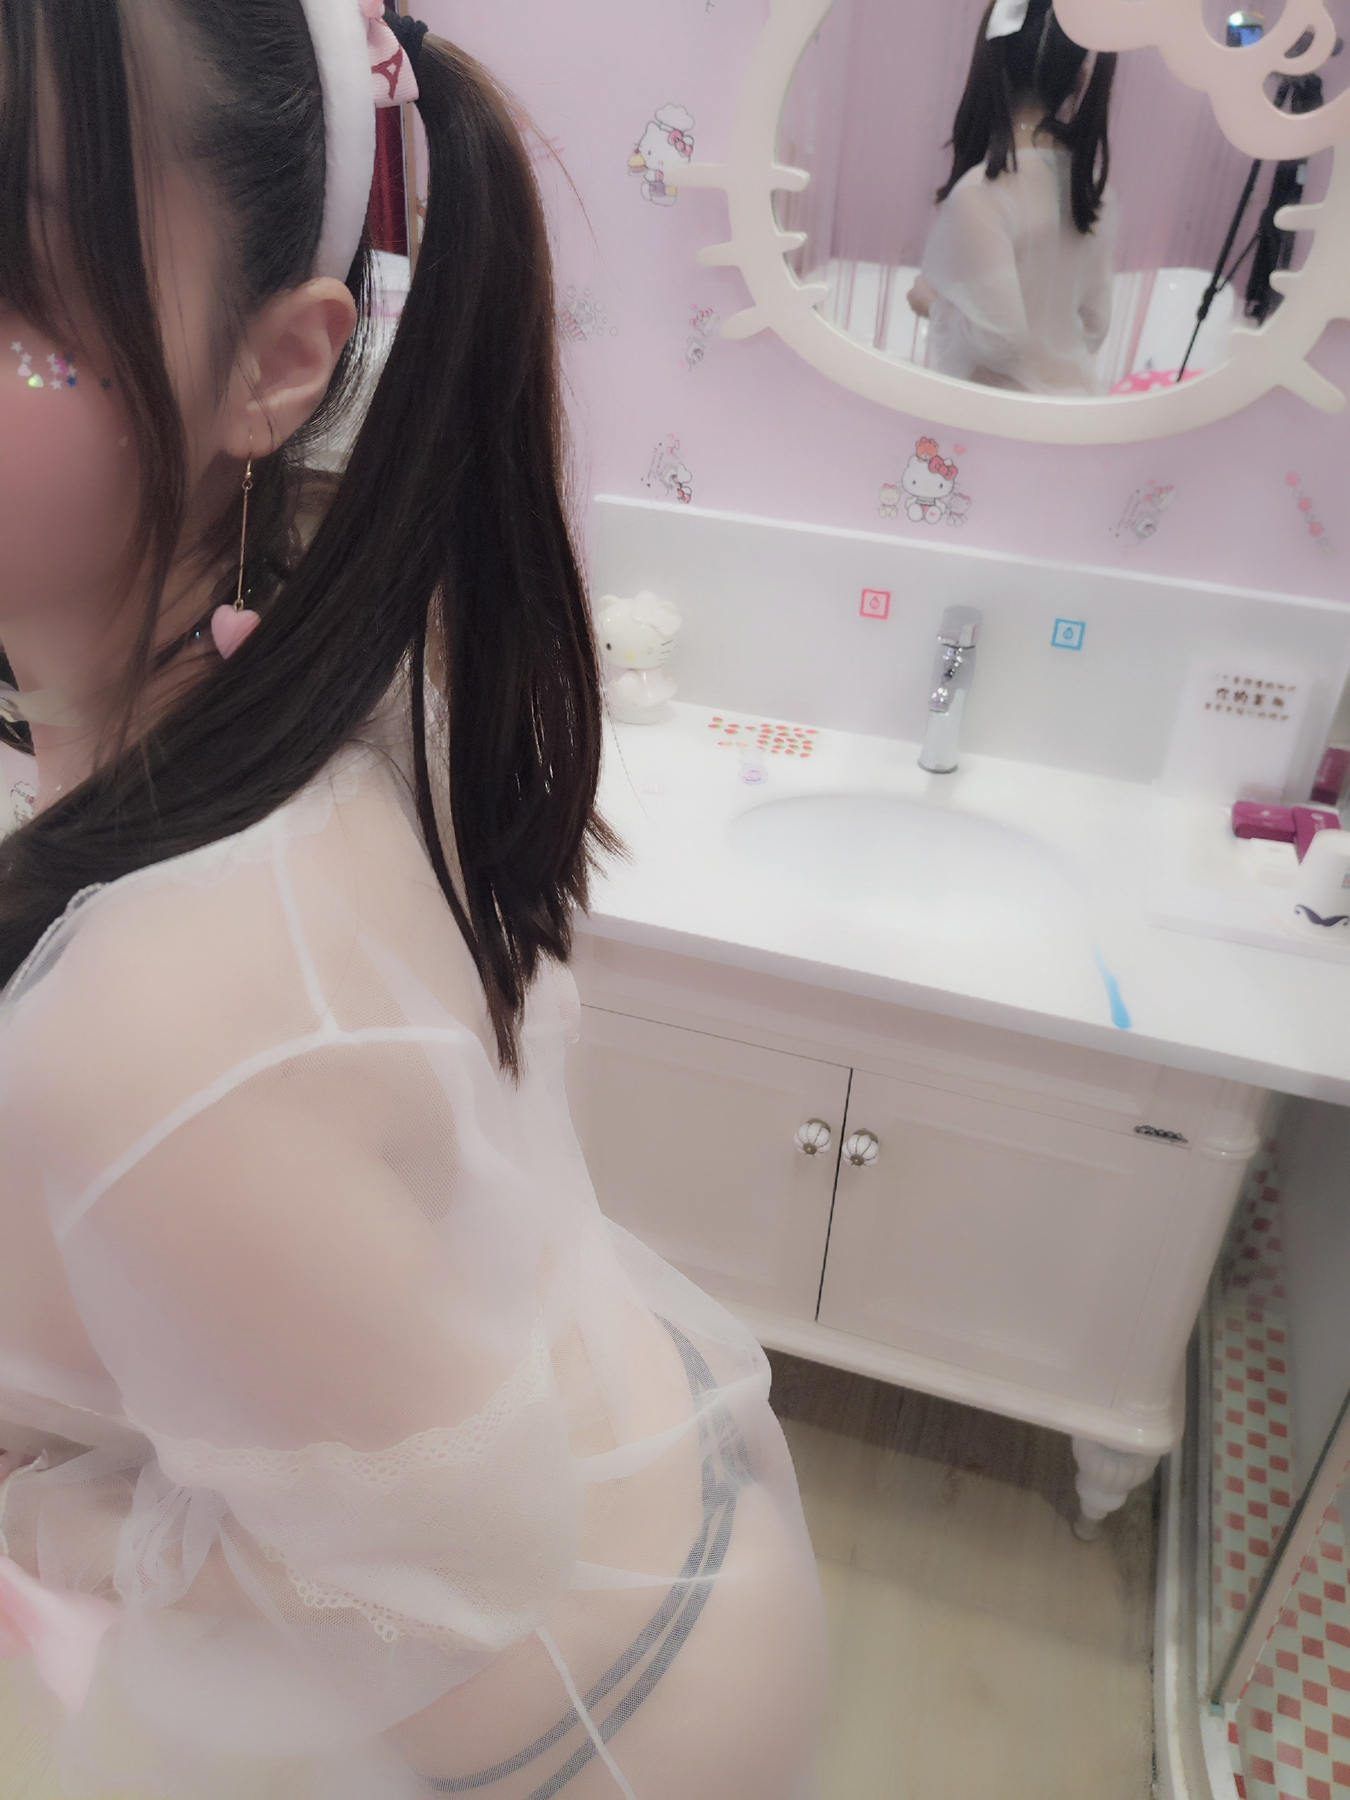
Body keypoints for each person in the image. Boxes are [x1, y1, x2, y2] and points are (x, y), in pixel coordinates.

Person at [0, 3, 826, 1796]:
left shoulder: (160, 1021)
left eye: (12, 281)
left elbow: (438, 1571)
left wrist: (45, 1523)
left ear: (275, 369)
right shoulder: (313, 668)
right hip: (614, 1511)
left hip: (574, 1725)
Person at [909, 0, 1118, 394]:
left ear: (990, 65)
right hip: (1078, 409)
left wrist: (930, 303)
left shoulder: (981, 194)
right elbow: (1095, 325)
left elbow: (1000, 342)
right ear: (1080, 78)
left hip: (1003, 417)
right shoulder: (1091, 189)